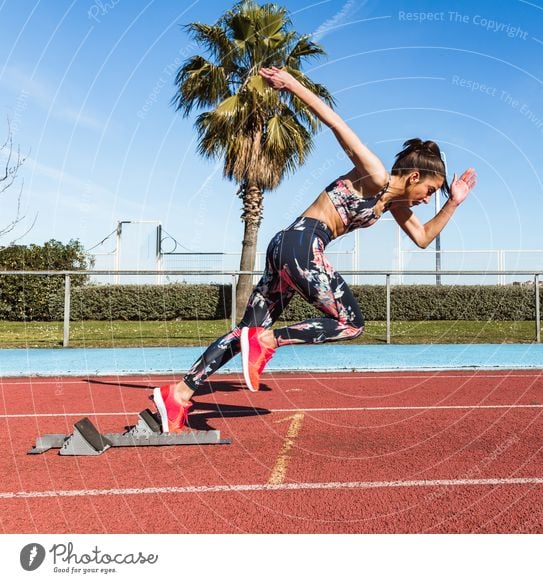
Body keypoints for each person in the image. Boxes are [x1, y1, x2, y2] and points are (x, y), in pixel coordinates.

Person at [153, 67, 477, 433]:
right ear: (415, 177)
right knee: (351, 324)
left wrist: (454, 203)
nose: (427, 200)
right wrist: (292, 85)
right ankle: (269, 340)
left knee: (244, 331)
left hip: (286, 245)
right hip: (304, 245)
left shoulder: (393, 203)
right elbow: (337, 124)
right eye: (431, 192)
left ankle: (178, 394)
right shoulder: (375, 175)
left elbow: (422, 238)